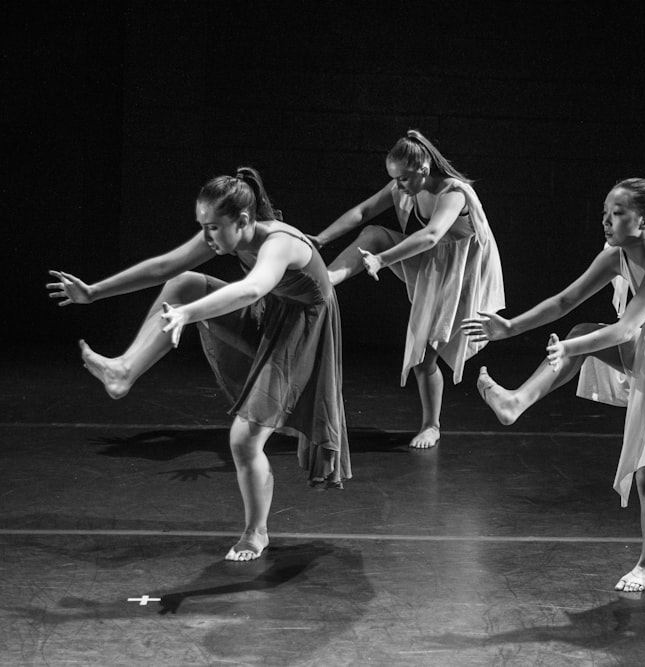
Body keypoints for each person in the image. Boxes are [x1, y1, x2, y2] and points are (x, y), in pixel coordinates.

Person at [47, 166, 351, 561]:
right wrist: (93, 292)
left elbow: (252, 287)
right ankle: (124, 370)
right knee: (183, 281)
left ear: (243, 220)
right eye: (202, 226)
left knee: (243, 439)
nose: (206, 236)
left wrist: (189, 315)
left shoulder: (280, 242)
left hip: (303, 332)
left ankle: (255, 532)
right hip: (269, 314)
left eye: (212, 227)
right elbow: (163, 267)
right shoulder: (227, 233)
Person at [461, 178, 645, 592]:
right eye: (605, 214)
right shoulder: (616, 256)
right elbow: (563, 301)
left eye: (617, 214)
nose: (607, 222)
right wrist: (509, 327)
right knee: (579, 327)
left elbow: (626, 327)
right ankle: (516, 402)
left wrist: (571, 347)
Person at [311, 129, 505, 449]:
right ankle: (325, 281)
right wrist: (321, 239)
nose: (397, 186)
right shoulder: (406, 185)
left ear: (423, 170)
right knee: (373, 231)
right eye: (395, 179)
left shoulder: (454, 191)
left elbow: (431, 235)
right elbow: (362, 212)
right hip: (437, 261)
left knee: (424, 356)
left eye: (402, 179)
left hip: (465, 273)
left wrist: (382, 260)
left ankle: (432, 425)